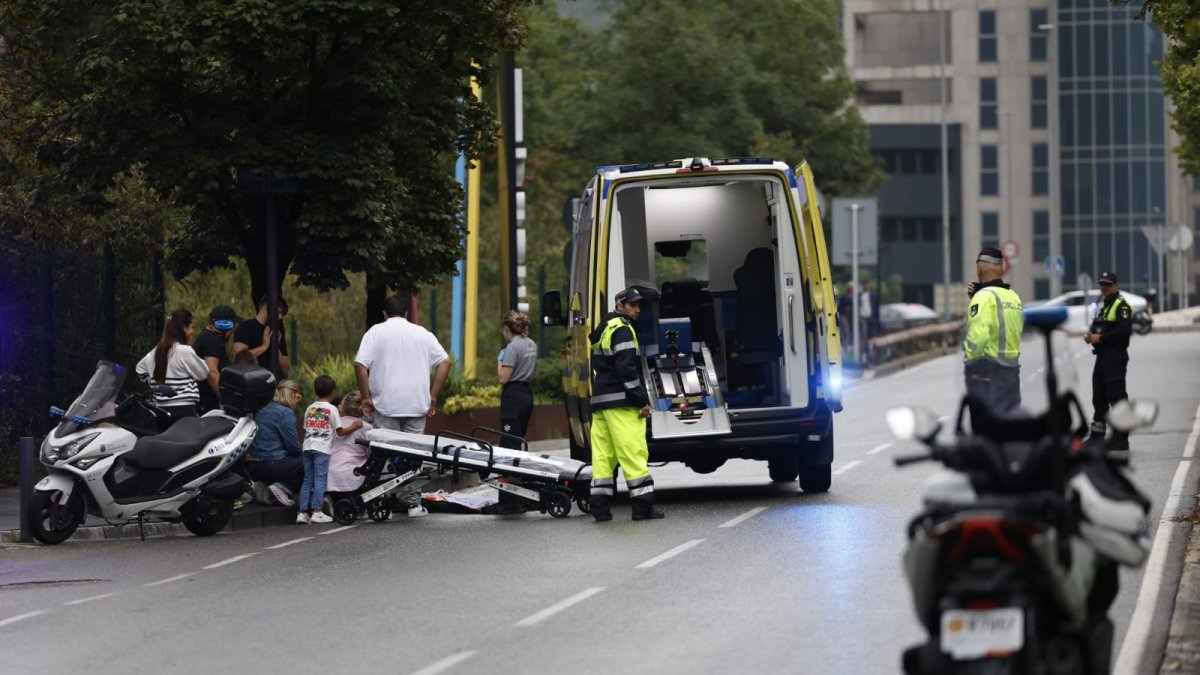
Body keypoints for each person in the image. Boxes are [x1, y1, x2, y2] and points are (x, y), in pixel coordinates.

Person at [354, 294, 452, 517]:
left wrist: (366, 397)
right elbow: (445, 362)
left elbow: (360, 366)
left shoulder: (375, 332)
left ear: (384, 314)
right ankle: (413, 504)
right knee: (414, 456)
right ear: (407, 314)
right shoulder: (423, 333)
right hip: (417, 405)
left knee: (385, 452)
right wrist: (433, 395)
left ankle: (383, 501)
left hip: (385, 404)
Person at [587, 286, 663, 522]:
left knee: (603, 458)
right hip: (621, 402)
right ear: (620, 306)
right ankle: (643, 508)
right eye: (632, 305)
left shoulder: (605, 328)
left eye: (639, 305)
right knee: (633, 452)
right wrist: (641, 400)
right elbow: (627, 370)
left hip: (601, 402)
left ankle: (600, 508)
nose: (637, 310)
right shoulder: (623, 329)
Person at [963, 247, 1024, 416]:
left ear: (980, 268)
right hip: (1012, 374)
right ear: (1002, 269)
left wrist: (970, 364)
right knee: (1010, 429)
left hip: (986, 375)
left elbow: (978, 337)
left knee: (985, 432)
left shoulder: (983, 297)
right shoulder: (1013, 296)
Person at [135, 309, 210, 431]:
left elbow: (140, 370)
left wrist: (154, 384)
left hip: (160, 411)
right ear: (184, 329)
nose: (193, 332)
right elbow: (203, 373)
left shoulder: (155, 352)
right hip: (184, 411)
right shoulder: (185, 351)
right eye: (191, 327)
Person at [1084, 271, 1133, 450]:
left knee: (1117, 397)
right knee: (1099, 396)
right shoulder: (1103, 306)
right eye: (1102, 284)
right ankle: (1097, 435)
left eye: (1108, 284)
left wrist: (1101, 338)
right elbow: (1097, 327)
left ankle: (1121, 438)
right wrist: (1090, 336)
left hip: (1115, 356)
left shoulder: (1122, 306)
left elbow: (1124, 331)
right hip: (1102, 356)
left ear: (1116, 285)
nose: (1104, 287)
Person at [297, 375, 355, 524]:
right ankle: (317, 511)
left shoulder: (310, 408)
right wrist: (355, 426)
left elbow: (306, 429)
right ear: (333, 392)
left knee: (307, 479)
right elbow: (340, 432)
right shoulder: (332, 409)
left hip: (307, 446)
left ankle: (302, 513)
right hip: (322, 448)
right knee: (320, 479)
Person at [247, 379, 304, 506]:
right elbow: (294, 448)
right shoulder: (286, 413)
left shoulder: (263, 410)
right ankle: (283, 488)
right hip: (272, 464)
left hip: (254, 466)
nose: (297, 402)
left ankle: (263, 484)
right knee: (308, 460)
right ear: (293, 395)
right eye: (298, 398)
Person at [497, 310, 537, 447]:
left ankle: (507, 468)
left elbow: (503, 378)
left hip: (513, 396)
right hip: (527, 394)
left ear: (507, 328)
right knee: (519, 438)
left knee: (509, 442)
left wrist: (500, 360)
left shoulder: (512, 347)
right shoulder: (532, 344)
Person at [193, 305, 239, 414]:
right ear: (224, 325)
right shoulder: (211, 340)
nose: (234, 329)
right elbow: (212, 372)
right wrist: (227, 401)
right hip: (208, 405)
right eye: (233, 324)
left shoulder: (210, 338)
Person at [326, 390, 374, 495]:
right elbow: (370, 454)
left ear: (344, 407)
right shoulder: (367, 428)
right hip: (350, 476)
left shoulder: (332, 424)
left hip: (328, 475)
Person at [232, 296, 291, 378]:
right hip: (252, 383)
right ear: (267, 307)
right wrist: (263, 347)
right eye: (278, 312)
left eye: (282, 314)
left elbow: (286, 370)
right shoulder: (246, 327)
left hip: (273, 384)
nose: (280, 317)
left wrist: (276, 347)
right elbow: (239, 359)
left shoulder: (276, 332)